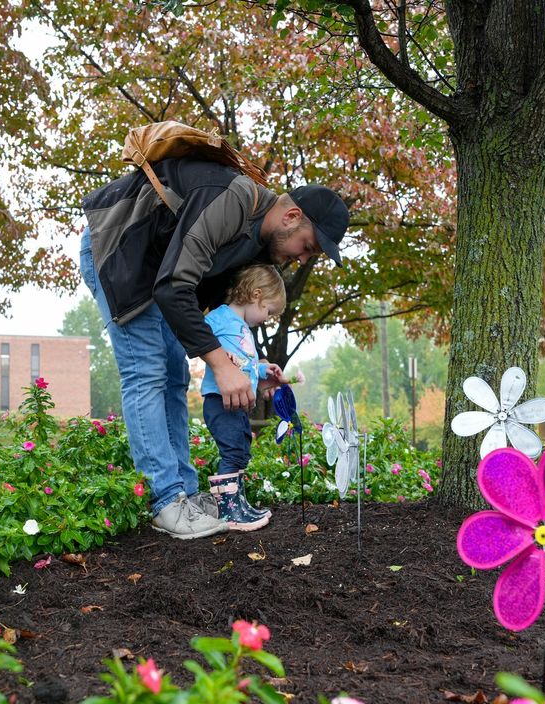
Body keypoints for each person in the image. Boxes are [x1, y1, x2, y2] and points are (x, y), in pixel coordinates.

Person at [80, 157, 348, 540]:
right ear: (291, 216)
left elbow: (212, 314)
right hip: (121, 249)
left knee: (174, 377)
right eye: (308, 246)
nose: (304, 258)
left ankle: (185, 493)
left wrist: (251, 371)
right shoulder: (232, 200)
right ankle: (166, 500)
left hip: (159, 273)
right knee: (148, 372)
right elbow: (175, 285)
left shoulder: (255, 246)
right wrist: (221, 365)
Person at [200, 265, 290, 531]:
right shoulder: (220, 318)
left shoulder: (242, 330)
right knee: (233, 451)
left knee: (240, 450)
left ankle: (236, 502)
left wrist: (264, 369)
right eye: (268, 311)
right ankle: (228, 511)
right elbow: (199, 335)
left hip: (237, 403)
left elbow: (246, 364)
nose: (267, 318)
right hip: (220, 399)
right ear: (256, 294)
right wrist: (218, 355)